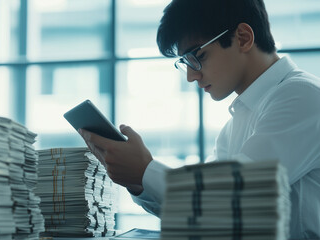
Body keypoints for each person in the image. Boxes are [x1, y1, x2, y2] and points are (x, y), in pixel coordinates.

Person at [78, 0, 320, 239]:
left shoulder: (303, 96)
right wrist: (138, 180)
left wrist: (143, 170)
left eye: (198, 56)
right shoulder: (234, 125)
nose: (191, 77)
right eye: (185, 63)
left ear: (243, 38)